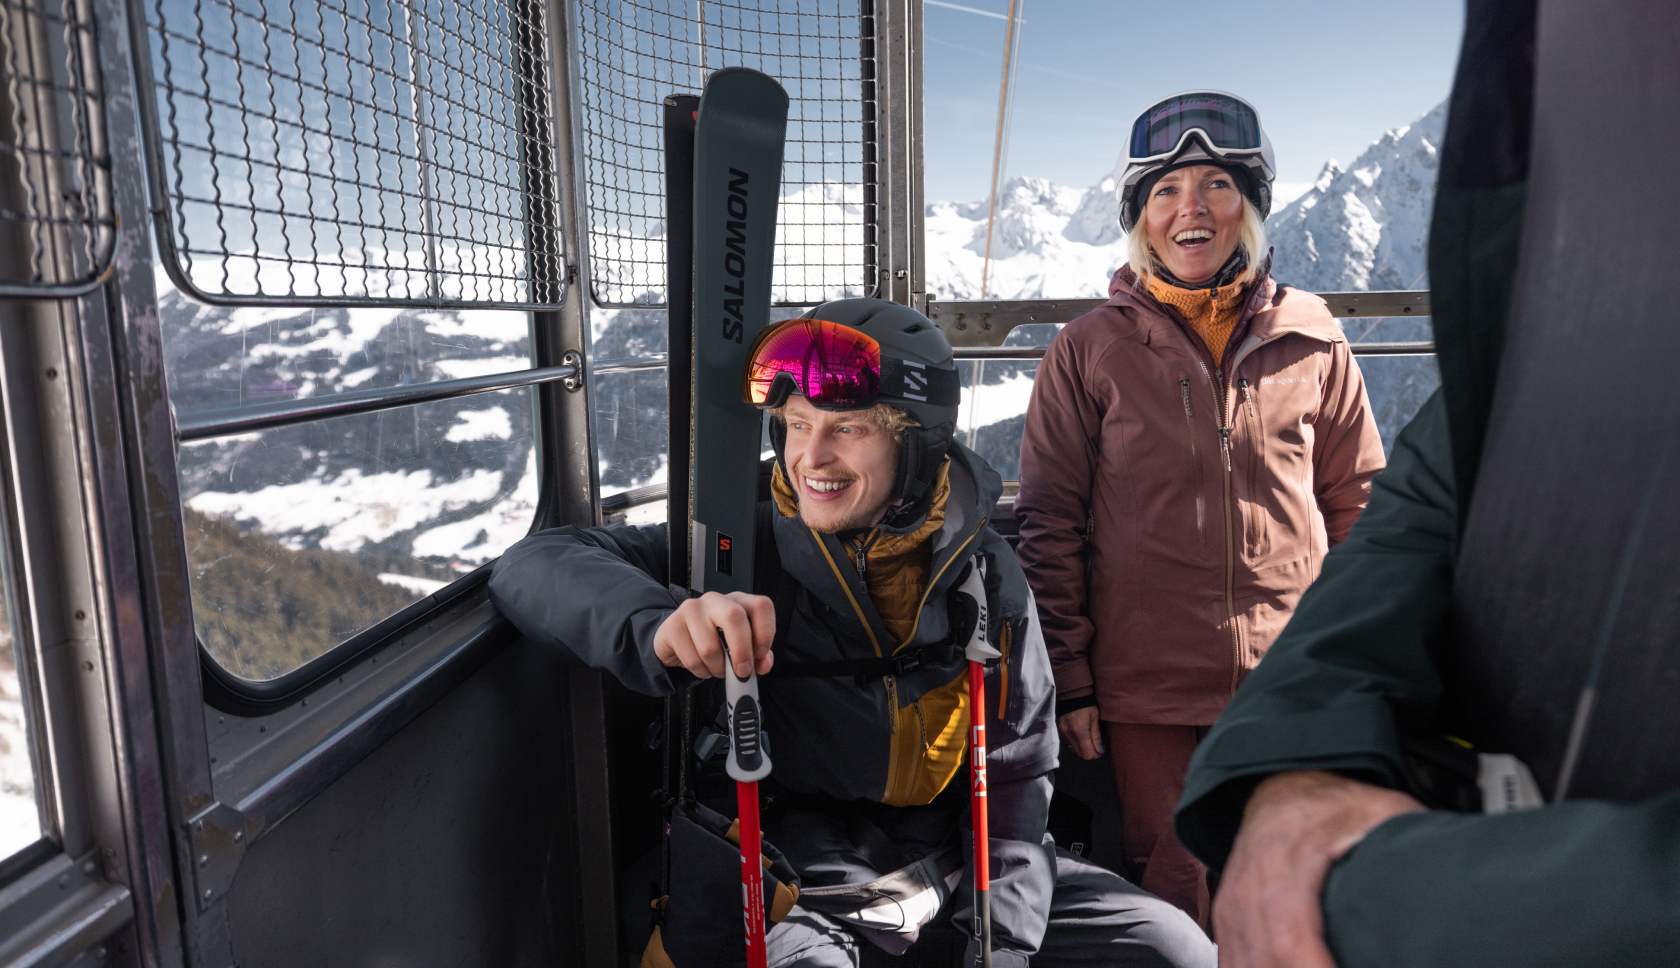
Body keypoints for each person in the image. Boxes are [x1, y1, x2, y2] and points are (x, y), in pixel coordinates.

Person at [489, 298, 1215, 967]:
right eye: (798, 424)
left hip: (957, 851)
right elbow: (534, 563)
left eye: (848, 428)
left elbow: (1020, 767)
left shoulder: (985, 572)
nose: (810, 457)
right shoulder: (738, 545)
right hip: (794, 863)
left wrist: (1003, 941)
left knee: (1171, 948)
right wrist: (655, 623)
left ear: (918, 446)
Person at [1013, 90, 1386, 929]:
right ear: (1140, 221)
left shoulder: (1315, 337)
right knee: (1174, 887)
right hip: (1149, 686)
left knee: (1296, 879)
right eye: (1166, 191)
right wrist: (1071, 681)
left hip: (1294, 675)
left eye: (1216, 185)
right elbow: (1049, 522)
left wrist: (1359, 657)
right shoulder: (1089, 351)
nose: (1192, 208)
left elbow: (1359, 504)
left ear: (1248, 206)